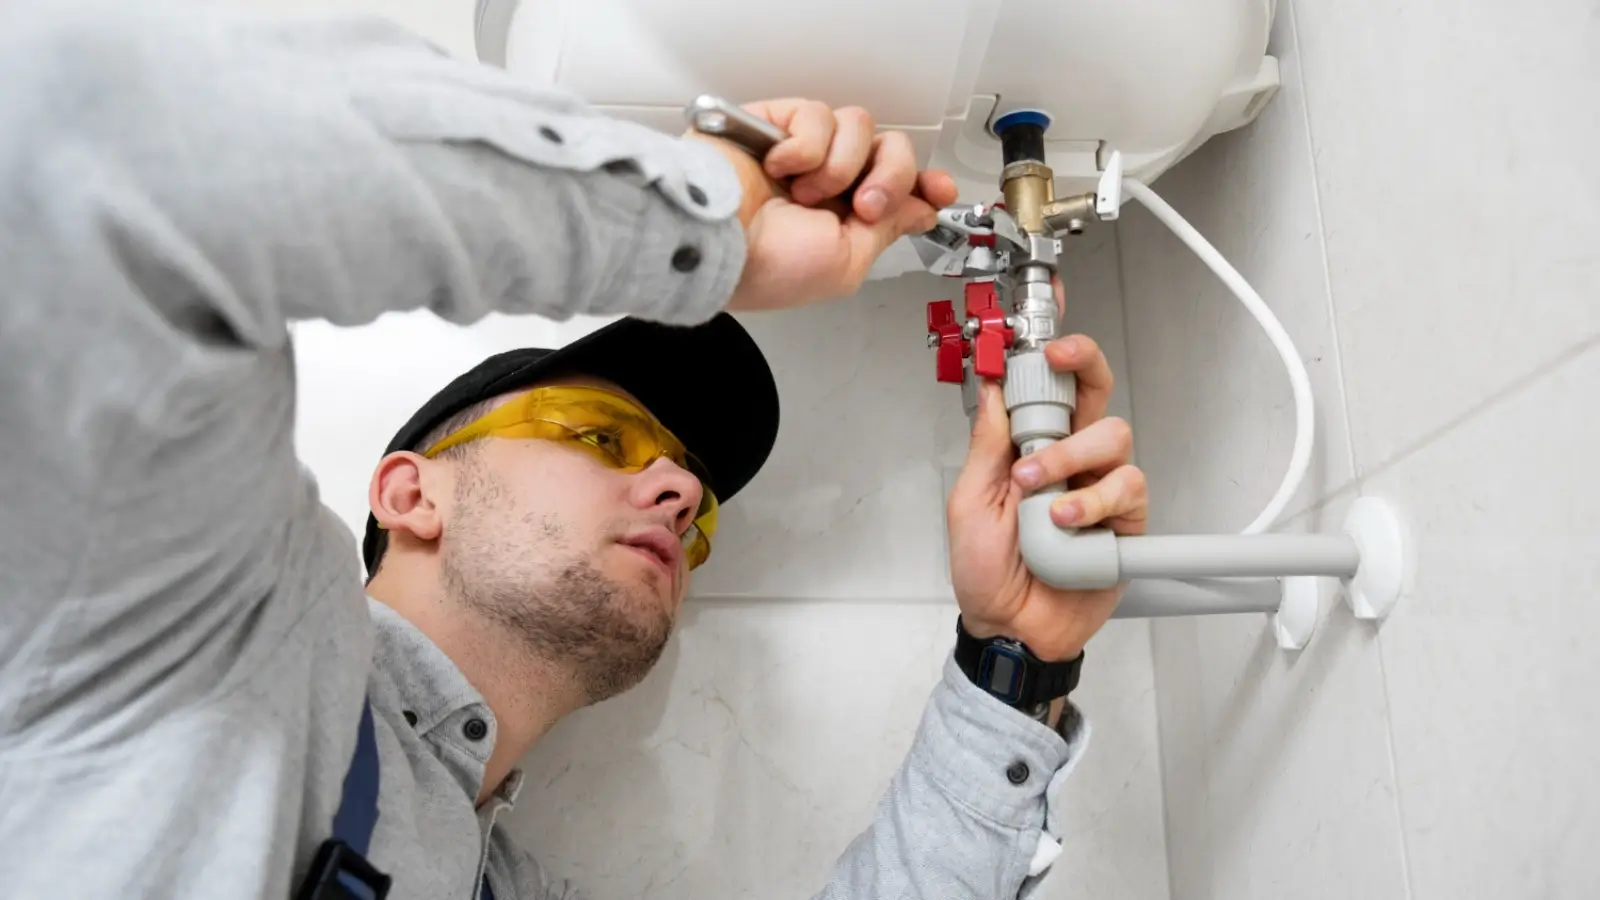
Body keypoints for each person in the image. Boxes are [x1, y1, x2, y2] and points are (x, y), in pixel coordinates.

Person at [0, 3, 1148, 899]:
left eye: (698, 505)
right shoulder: (187, 631)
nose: (680, 487)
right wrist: (695, 225)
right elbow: (80, 141)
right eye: (601, 436)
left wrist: (1013, 662)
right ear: (411, 493)